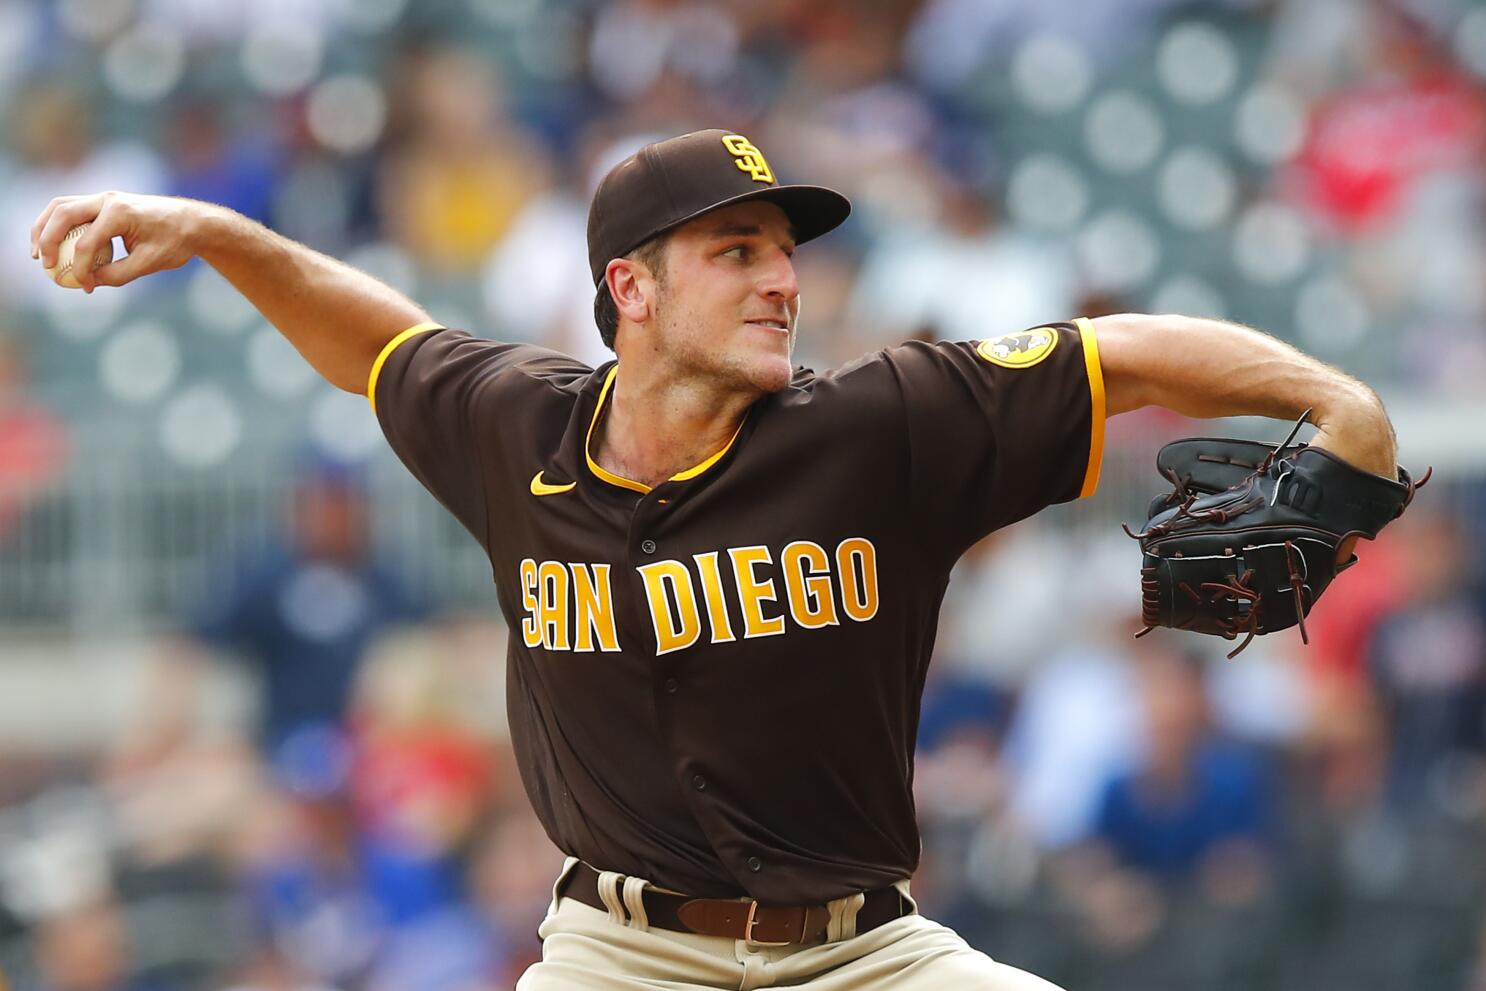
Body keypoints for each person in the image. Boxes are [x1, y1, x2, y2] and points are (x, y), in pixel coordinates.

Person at [32, 128, 1400, 989]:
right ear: (629, 287)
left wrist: (1340, 407)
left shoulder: (881, 425)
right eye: (733, 251)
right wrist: (215, 234)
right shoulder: (518, 428)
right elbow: (377, 343)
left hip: (861, 955)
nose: (780, 280)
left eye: (785, 254)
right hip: (616, 957)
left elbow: (1130, 353)